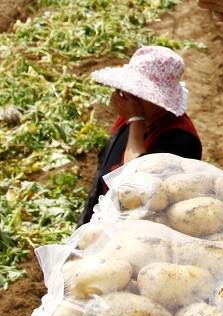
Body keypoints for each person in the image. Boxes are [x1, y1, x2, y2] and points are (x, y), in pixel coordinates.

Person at [78, 46, 202, 225]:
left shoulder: (180, 140)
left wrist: (135, 120)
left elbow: (136, 184)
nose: (130, 97)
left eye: (140, 93)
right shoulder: (131, 119)